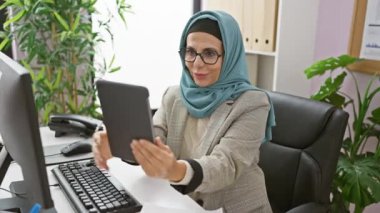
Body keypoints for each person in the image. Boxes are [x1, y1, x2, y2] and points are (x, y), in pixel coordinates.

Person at [93, 10, 275, 213]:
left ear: (230, 55)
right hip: (182, 205)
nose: (197, 63)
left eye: (209, 53)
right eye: (190, 51)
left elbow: (226, 165)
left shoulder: (253, 103)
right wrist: (121, 143)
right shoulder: (175, 95)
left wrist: (175, 170)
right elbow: (153, 140)